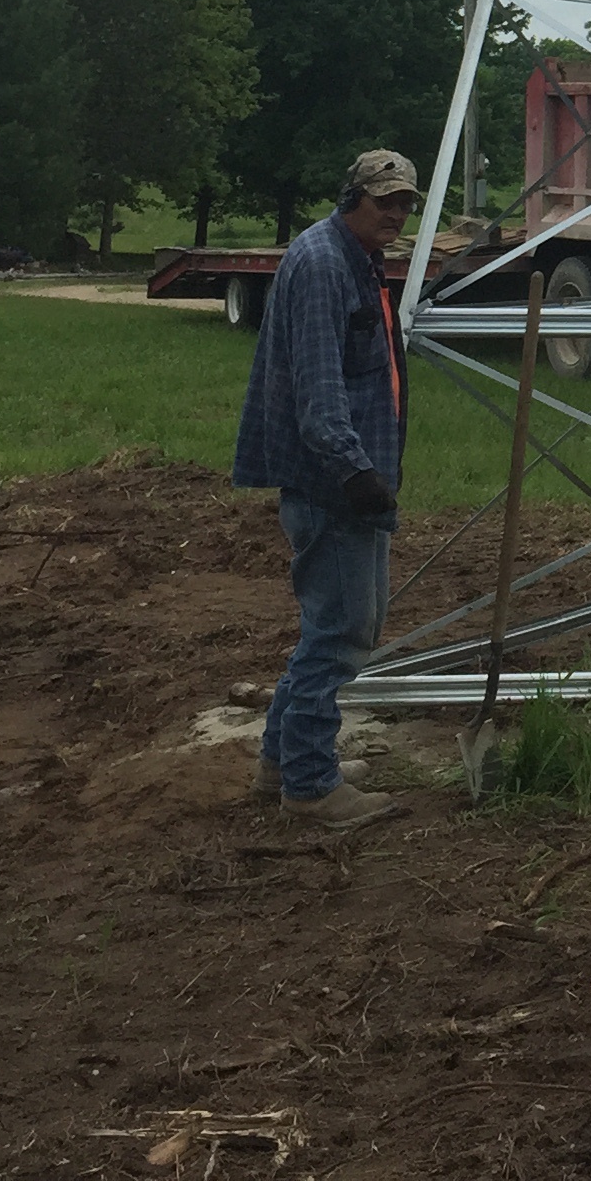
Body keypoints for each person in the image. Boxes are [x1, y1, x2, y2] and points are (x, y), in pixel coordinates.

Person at [234, 148, 419, 827]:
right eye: (384, 202)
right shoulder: (321, 265)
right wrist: (356, 469)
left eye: (405, 203)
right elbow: (318, 391)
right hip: (333, 481)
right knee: (341, 631)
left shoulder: (356, 258)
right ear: (353, 198)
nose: (395, 215)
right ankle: (311, 788)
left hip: (353, 474)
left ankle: (284, 760)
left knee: (332, 626)